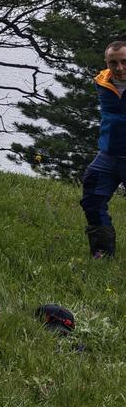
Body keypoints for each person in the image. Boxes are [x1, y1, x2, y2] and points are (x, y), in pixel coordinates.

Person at [81, 39, 126, 258]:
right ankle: (102, 253)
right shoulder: (101, 82)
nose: (119, 68)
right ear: (107, 63)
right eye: (113, 63)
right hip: (108, 156)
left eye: (125, 62)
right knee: (92, 198)